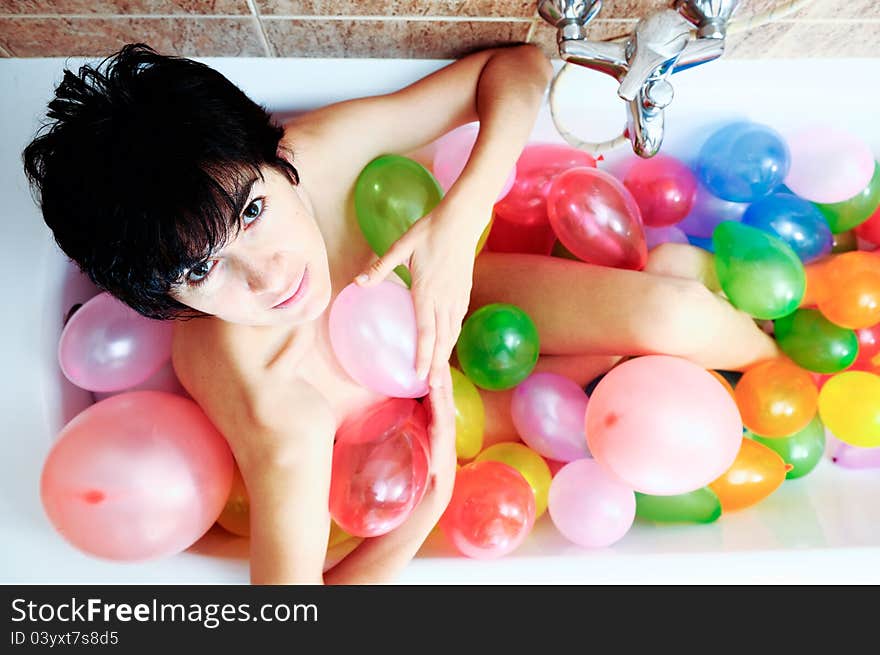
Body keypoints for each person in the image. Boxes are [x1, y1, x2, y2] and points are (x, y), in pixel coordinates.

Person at [22, 43, 778, 584]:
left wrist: (463, 213)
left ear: (274, 159)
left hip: (457, 296)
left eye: (254, 210)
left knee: (677, 311)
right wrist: (434, 500)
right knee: (626, 405)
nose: (270, 272)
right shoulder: (280, 409)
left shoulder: (311, 156)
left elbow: (515, 68)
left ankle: (780, 364)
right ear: (163, 302)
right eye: (200, 267)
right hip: (419, 422)